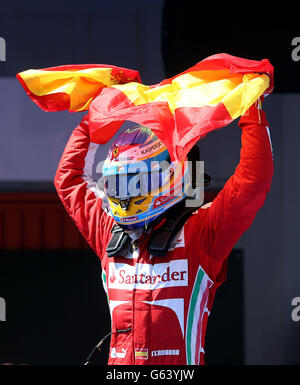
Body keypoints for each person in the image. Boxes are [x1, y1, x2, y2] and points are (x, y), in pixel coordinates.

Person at [54, 97, 273, 365]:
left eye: (135, 182)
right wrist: (97, 114)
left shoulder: (199, 234)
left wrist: (252, 107)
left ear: (170, 176)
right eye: (117, 183)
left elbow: (252, 181)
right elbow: (68, 179)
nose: (125, 195)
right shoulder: (108, 233)